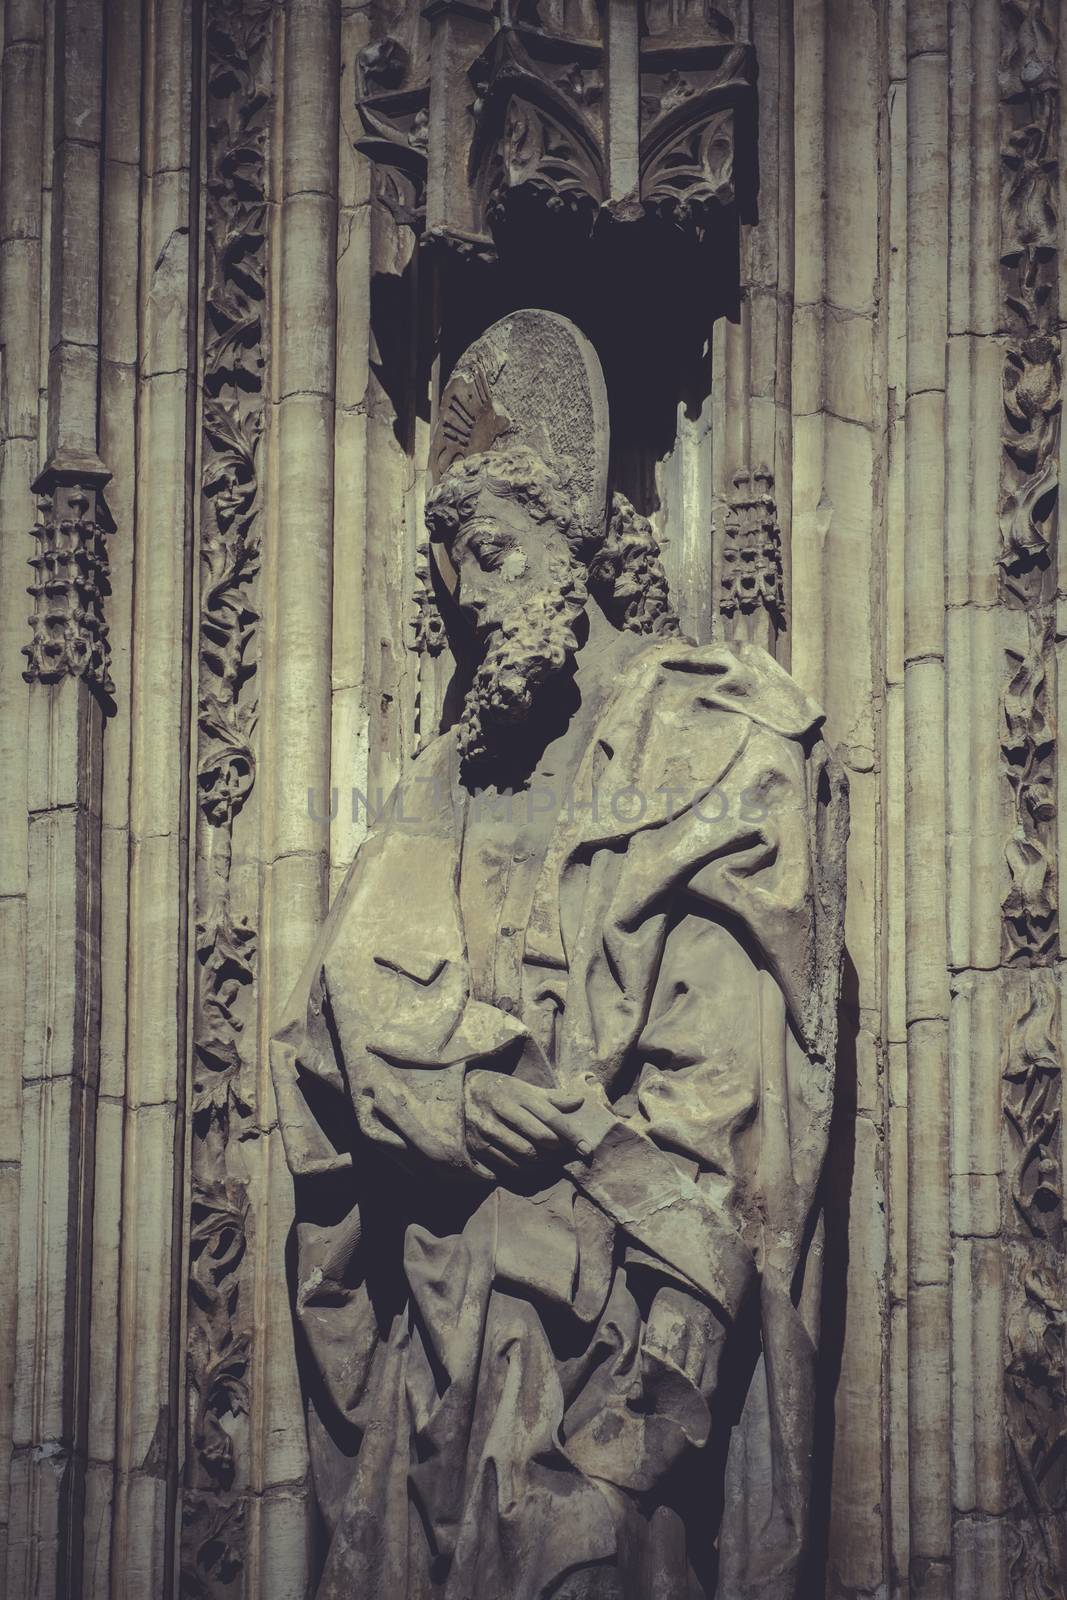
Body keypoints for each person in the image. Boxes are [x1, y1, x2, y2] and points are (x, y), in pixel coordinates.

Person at [270, 314, 848, 1599]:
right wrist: (461, 1103)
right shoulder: (447, 782)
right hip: (442, 1360)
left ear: (576, 547)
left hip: (611, 1376)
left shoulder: (707, 734)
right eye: (452, 571)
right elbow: (335, 1025)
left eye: (491, 553)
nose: (469, 597)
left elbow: (731, 1125)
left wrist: (625, 1442)